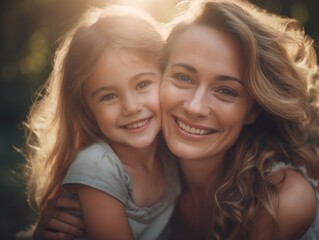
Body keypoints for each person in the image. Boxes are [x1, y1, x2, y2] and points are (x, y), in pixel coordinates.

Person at [25, 0, 319, 239]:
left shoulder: (282, 200)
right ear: (160, 75)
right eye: (183, 77)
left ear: (253, 110)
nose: (194, 106)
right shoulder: (142, 166)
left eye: (226, 90)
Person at [18, 4, 180, 240]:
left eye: (143, 84)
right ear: (86, 108)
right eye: (109, 96)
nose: (132, 107)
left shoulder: (171, 151)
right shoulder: (98, 166)